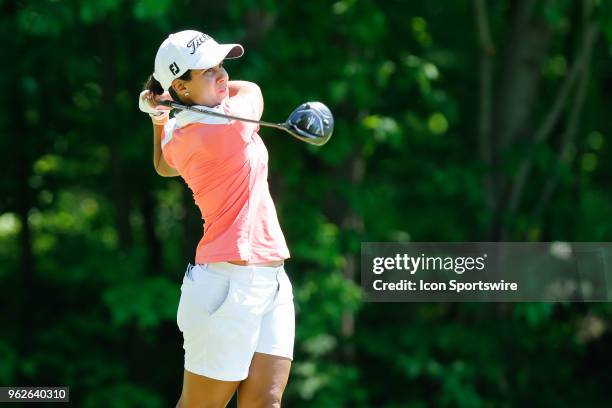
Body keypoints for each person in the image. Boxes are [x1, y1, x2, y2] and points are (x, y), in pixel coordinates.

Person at [138, 30, 294, 408]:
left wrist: (161, 115)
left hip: (272, 281)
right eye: (208, 71)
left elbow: (162, 164)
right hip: (226, 288)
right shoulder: (230, 126)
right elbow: (252, 88)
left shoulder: (180, 131)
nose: (223, 75)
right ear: (181, 85)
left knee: (265, 403)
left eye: (221, 65)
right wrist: (168, 105)